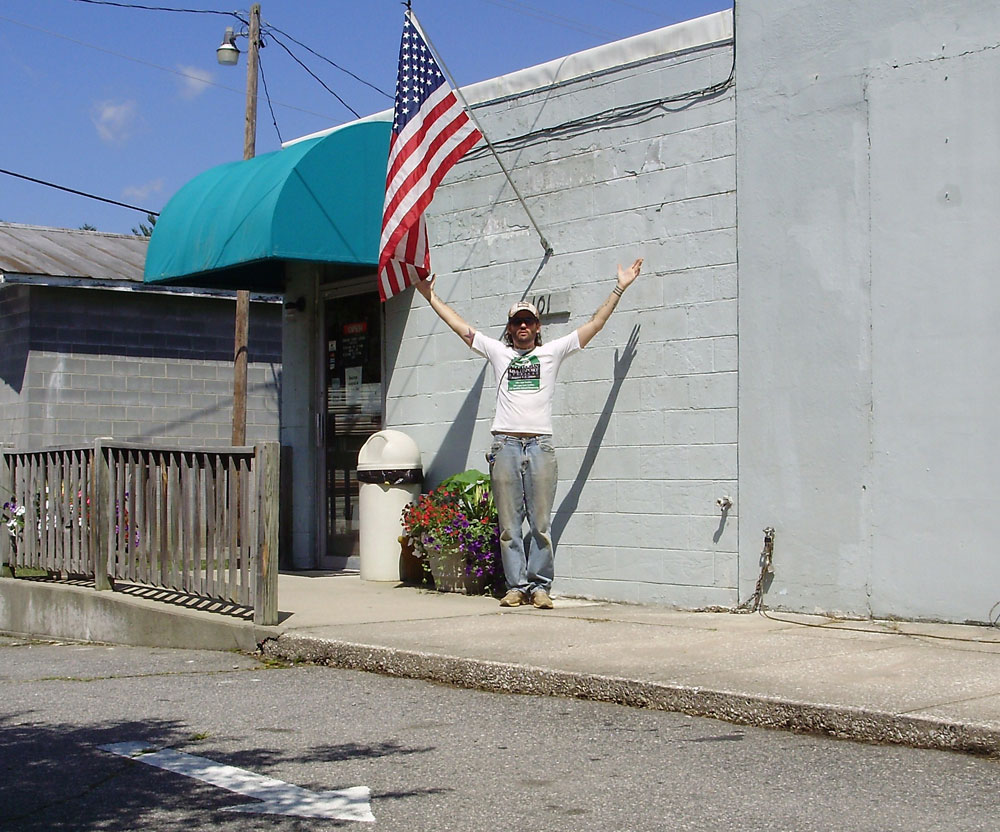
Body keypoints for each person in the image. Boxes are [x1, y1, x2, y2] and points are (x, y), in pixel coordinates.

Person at [414, 257, 643, 608]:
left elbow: (595, 324)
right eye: (517, 321)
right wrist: (431, 297)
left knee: (540, 523)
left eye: (529, 321)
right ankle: (515, 586)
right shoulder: (497, 352)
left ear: (537, 327)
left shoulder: (552, 352)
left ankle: (539, 588)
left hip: (540, 447)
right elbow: (461, 328)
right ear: (510, 328)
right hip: (504, 445)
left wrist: (620, 287)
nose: (523, 326)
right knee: (509, 525)